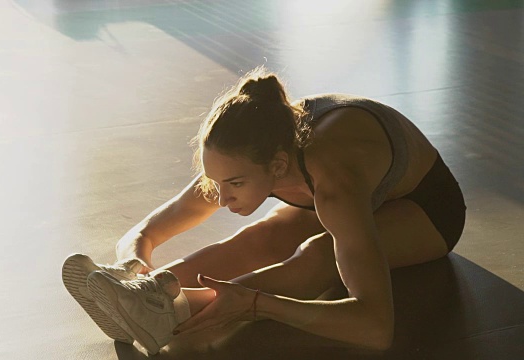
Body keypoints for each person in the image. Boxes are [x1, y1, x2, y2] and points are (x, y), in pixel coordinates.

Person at [62, 66, 466, 355]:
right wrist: (131, 260)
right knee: (261, 235)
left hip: (424, 208)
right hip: (357, 191)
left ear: (276, 166)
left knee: (321, 253)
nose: (221, 198)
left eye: (234, 185)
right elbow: (150, 229)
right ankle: (140, 296)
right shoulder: (246, 152)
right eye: (214, 183)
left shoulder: (334, 181)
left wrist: (257, 304)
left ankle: (171, 309)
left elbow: (376, 328)